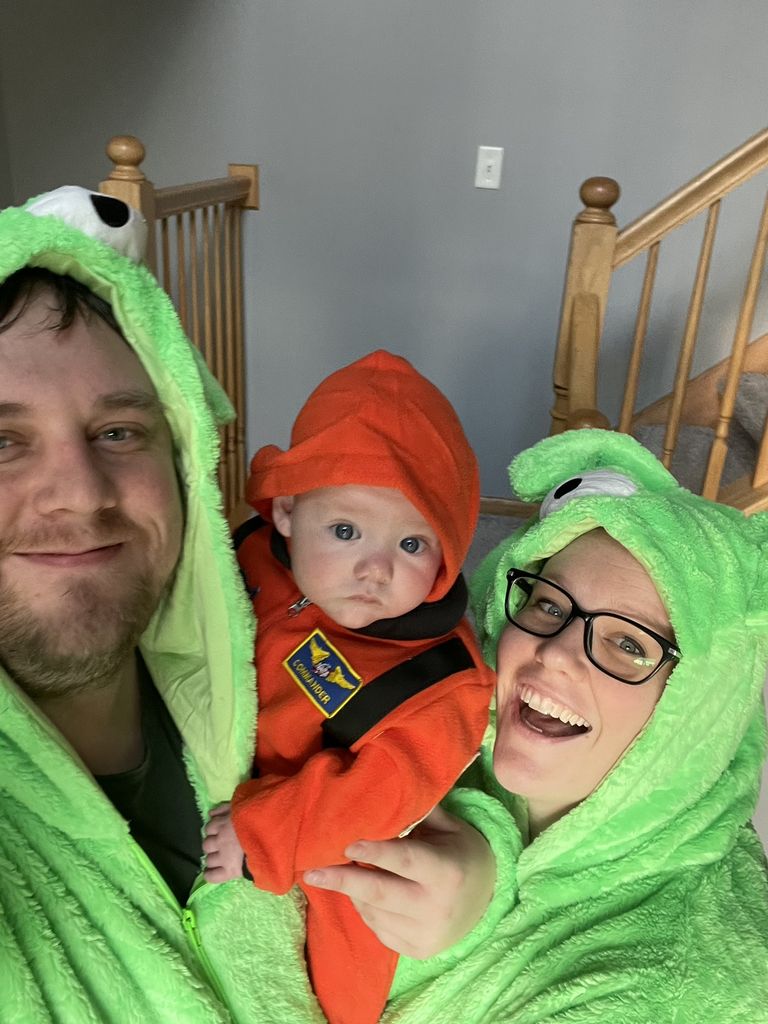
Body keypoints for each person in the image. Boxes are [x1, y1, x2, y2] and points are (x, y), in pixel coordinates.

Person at [0, 185, 330, 1024]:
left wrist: (482, 866)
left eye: (118, 433)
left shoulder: (288, 667)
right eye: (2, 442)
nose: (81, 494)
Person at [309, 429, 768, 1022]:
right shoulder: (434, 718)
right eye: (549, 605)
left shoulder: (687, 989)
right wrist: (484, 861)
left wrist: (469, 922)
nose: (554, 654)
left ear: (697, 708)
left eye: (629, 643)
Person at [203, 351, 495, 1024]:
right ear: (286, 514)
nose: (374, 569)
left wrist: (264, 836)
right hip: (237, 748)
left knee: (356, 918)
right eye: (344, 531)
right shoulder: (253, 554)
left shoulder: (444, 685)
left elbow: (378, 800)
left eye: (413, 545)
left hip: (330, 823)